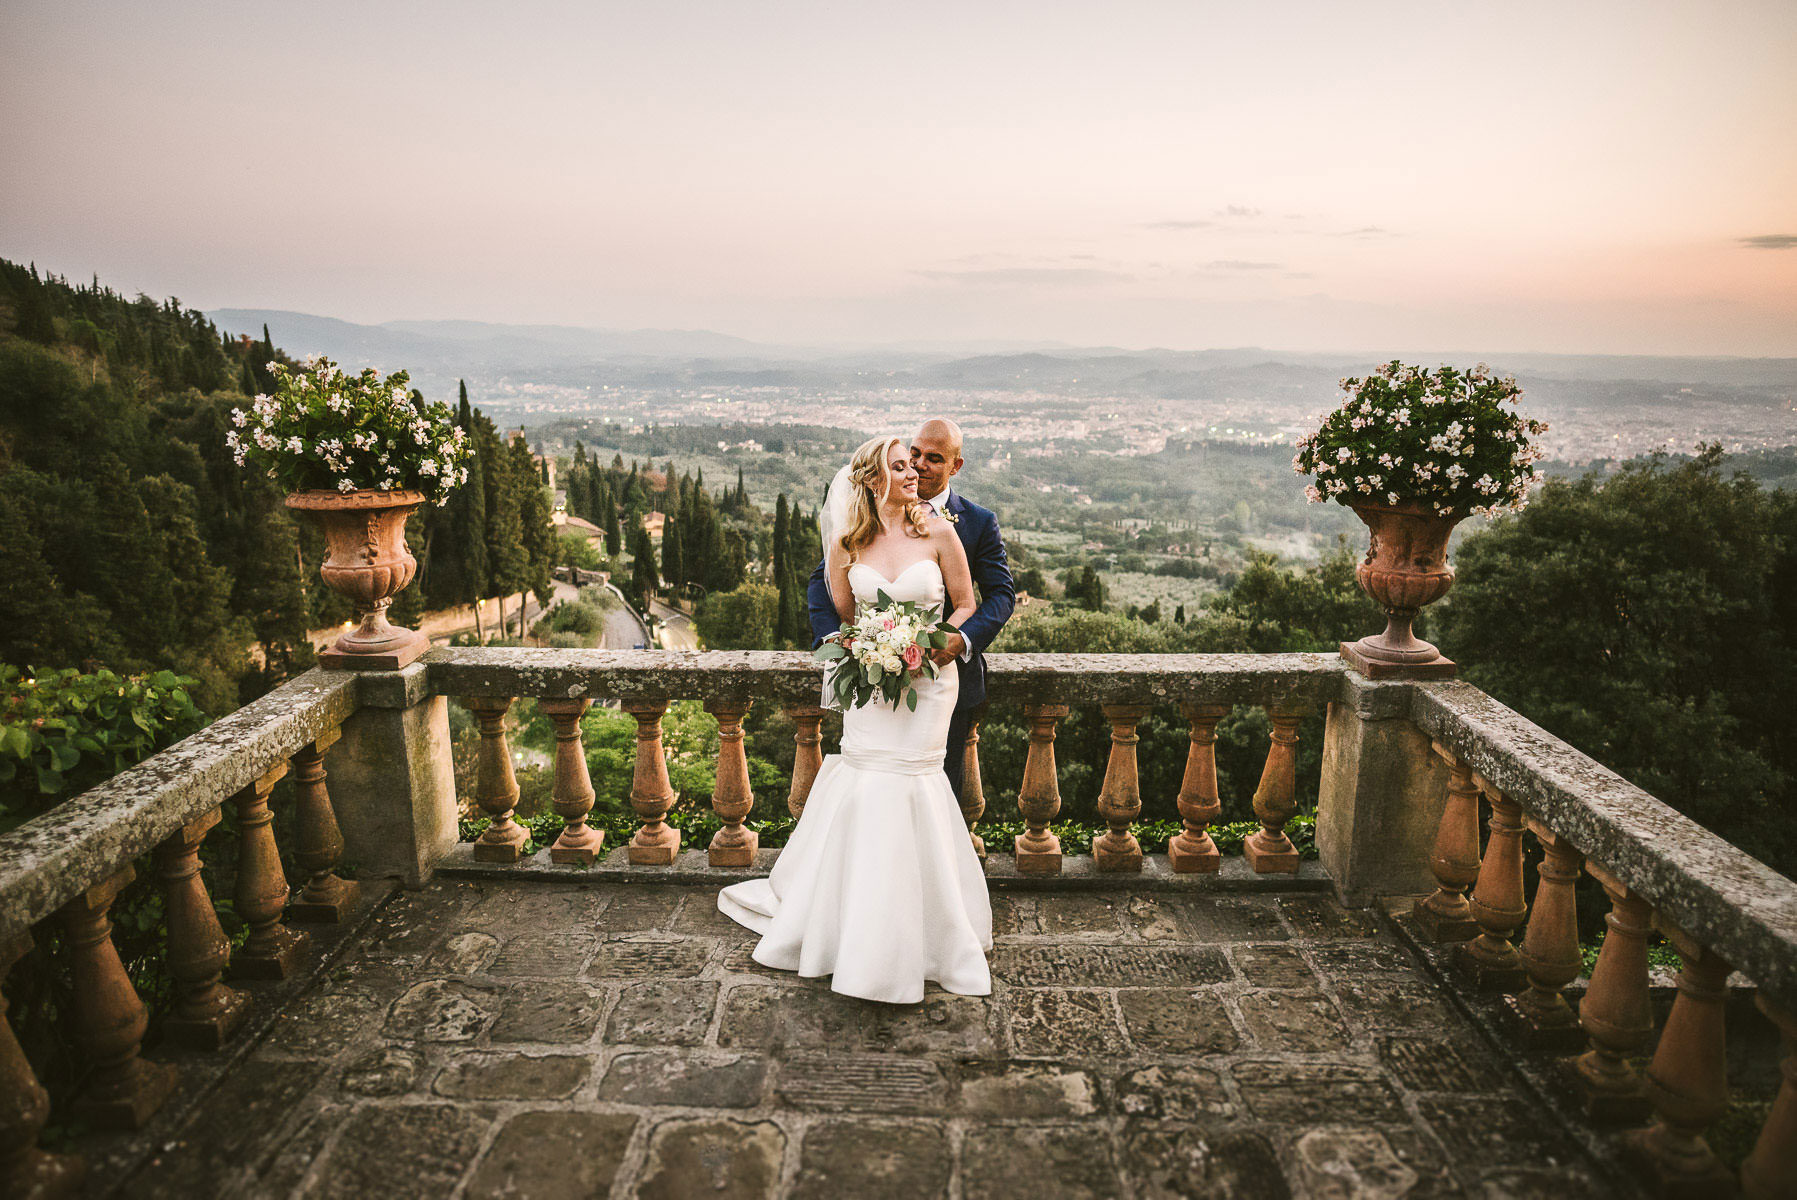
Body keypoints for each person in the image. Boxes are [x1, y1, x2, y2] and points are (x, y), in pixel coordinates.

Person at [717, 433, 998, 1002]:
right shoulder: (847, 545)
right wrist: (874, 649)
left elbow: (968, 603)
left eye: (915, 464)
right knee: (868, 786)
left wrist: (936, 643)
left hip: (929, 685)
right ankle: (855, 926)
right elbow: (847, 622)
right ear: (871, 480)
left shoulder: (940, 532)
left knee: (917, 785)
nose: (913, 473)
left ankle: (934, 932)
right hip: (872, 689)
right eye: (900, 466)